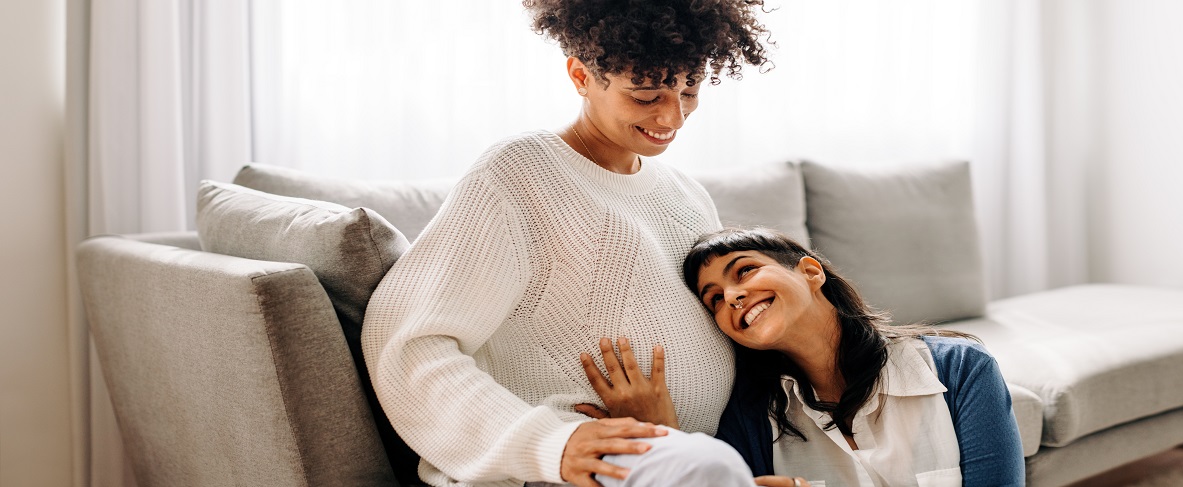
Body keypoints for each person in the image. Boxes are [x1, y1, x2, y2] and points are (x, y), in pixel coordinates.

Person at [360, 1, 773, 486]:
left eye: (690, 90)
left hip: (685, 452)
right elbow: (408, 342)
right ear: (581, 76)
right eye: (645, 95)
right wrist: (550, 446)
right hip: (578, 463)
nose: (674, 116)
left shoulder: (687, 194)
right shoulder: (519, 173)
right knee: (712, 467)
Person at [581, 228, 1026, 486]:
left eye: (745, 270)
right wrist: (664, 437)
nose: (732, 296)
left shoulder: (960, 368)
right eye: (713, 299)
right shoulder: (752, 416)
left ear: (811, 272)